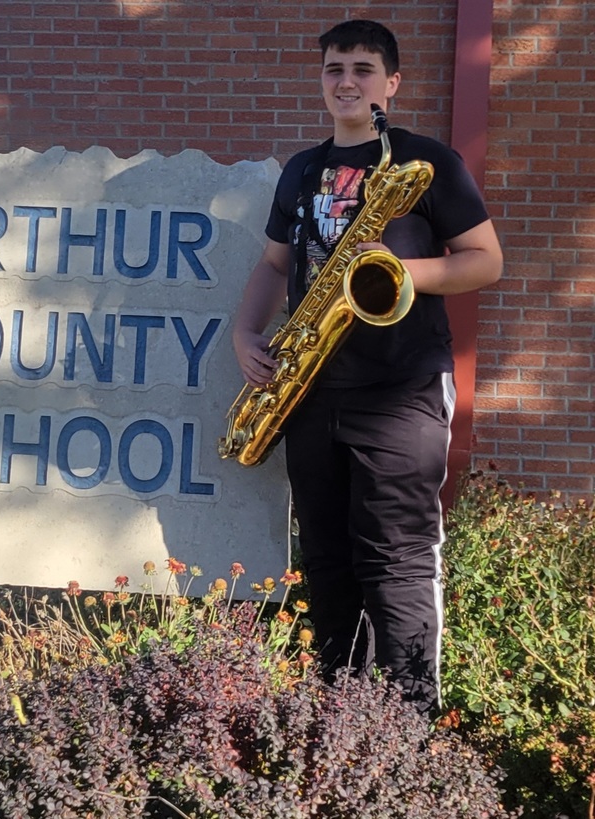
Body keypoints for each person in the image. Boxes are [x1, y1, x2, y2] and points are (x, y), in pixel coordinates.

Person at [231, 19, 503, 714]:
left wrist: (393, 271)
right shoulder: (300, 169)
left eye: (360, 68)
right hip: (309, 389)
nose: (345, 81)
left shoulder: (425, 161)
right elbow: (273, 265)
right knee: (326, 558)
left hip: (401, 384)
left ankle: (411, 733)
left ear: (392, 83)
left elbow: (486, 259)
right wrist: (243, 330)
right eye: (332, 69)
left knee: (398, 557)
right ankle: (342, 719)